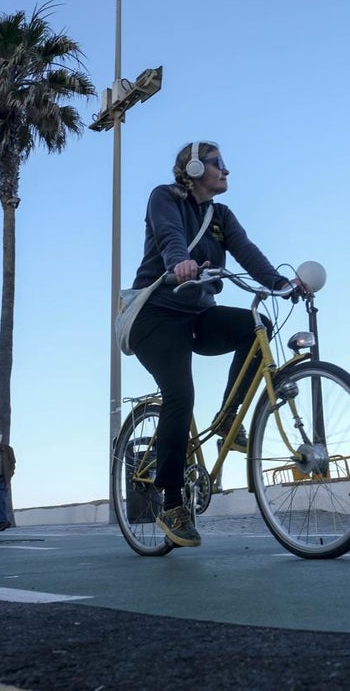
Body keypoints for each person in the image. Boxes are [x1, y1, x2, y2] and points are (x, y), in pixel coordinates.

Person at [127, 141, 300, 548]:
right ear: (192, 167)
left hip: (196, 314)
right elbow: (170, 236)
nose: (226, 171)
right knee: (180, 394)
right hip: (155, 315)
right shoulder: (164, 197)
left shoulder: (221, 215)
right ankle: (171, 502)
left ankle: (227, 421)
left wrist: (281, 284)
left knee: (255, 324)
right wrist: (179, 263)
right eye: (218, 164)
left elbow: (248, 253)